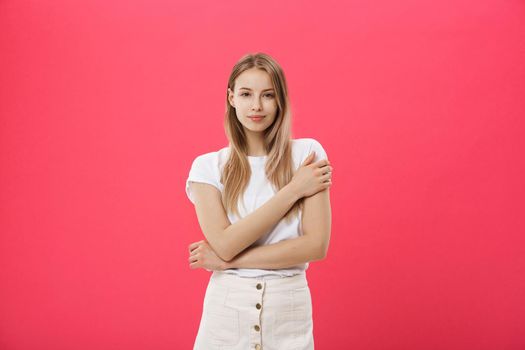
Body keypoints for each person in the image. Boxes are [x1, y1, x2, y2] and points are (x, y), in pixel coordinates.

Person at [185, 52, 333, 350]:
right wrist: (293, 190)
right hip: (227, 310)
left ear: (280, 100)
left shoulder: (306, 153)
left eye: (268, 95)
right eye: (246, 94)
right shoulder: (207, 167)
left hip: (288, 307)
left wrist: (227, 262)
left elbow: (315, 246)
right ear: (231, 98)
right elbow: (225, 243)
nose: (256, 106)